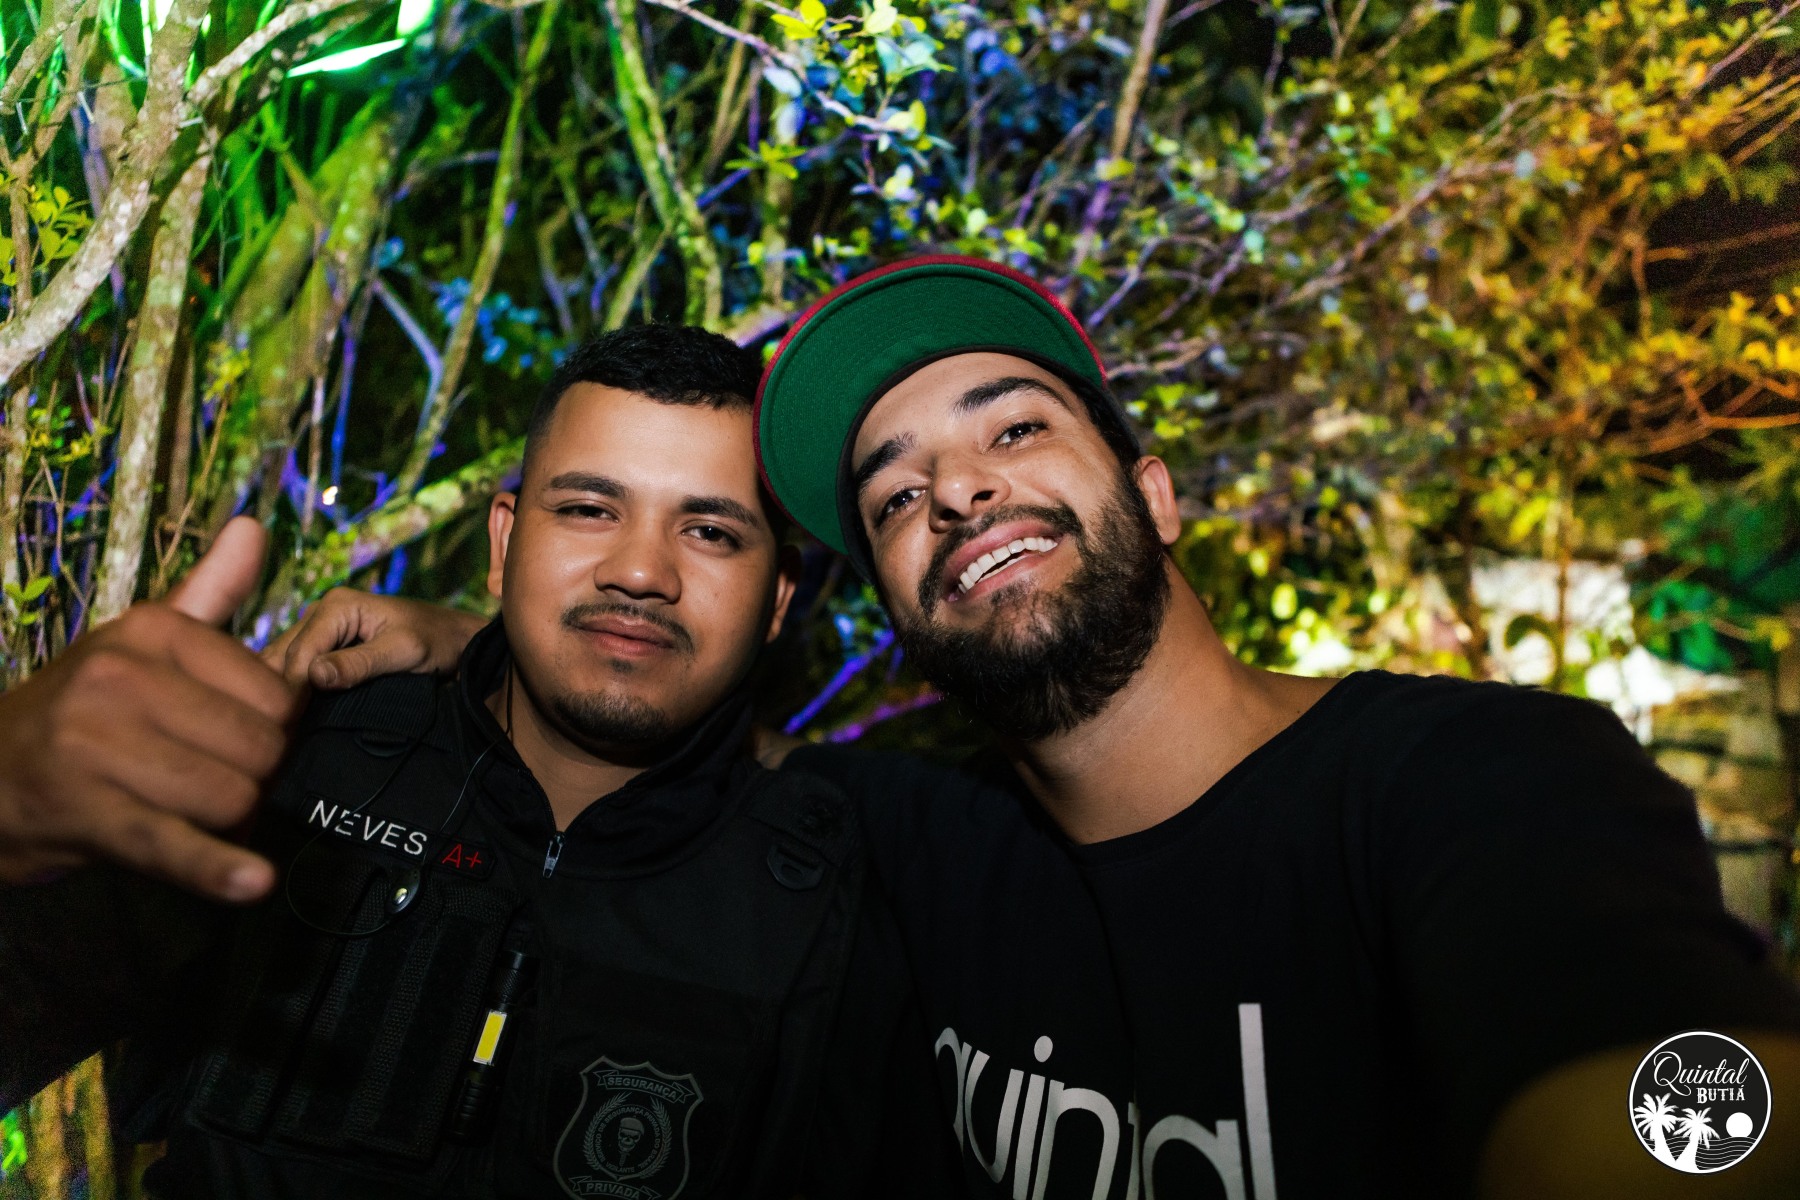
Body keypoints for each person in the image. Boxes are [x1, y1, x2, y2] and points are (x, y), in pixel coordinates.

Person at [274, 257, 1800, 1198]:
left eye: (1014, 427)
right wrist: (475, 636)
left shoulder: (1475, 785)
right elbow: (649, 722)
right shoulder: (908, 844)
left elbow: (1684, 1096)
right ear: (892, 595)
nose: (957, 488)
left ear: (1154, 494)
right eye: (895, 495)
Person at [0, 325, 946, 1199]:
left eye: (710, 532)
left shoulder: (835, 909)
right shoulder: (288, 762)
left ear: (776, 601)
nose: (640, 571)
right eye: (589, 508)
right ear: (504, 542)